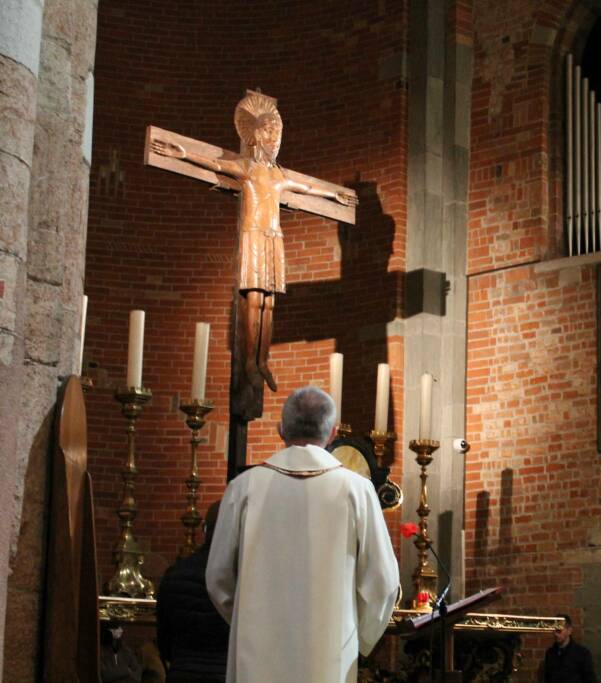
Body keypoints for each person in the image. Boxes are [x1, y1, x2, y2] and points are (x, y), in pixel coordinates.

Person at [150, 92, 352, 392]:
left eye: (276, 132)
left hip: (274, 238)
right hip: (253, 235)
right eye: (269, 130)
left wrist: (332, 195)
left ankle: (262, 360)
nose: (274, 136)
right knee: (254, 299)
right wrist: (182, 154)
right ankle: (247, 361)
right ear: (255, 135)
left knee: (269, 303)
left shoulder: (278, 174)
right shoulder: (248, 168)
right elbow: (215, 166)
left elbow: (307, 186)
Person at [206, 386, 400, 683]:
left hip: (255, 654)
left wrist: (249, 620)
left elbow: (218, 577)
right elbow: (383, 582)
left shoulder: (243, 489)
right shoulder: (356, 490)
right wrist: (356, 638)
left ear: (280, 429)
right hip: (330, 654)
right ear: (333, 433)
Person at [156, 501, 230, 682]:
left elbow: (163, 636)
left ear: (205, 529)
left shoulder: (175, 573)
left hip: (182, 671)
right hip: (224, 672)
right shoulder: (239, 577)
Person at [543, 614, 597, 683]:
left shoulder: (582, 654)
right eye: (554, 630)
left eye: (559, 631)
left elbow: (590, 680)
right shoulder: (550, 653)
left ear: (569, 631)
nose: (555, 634)